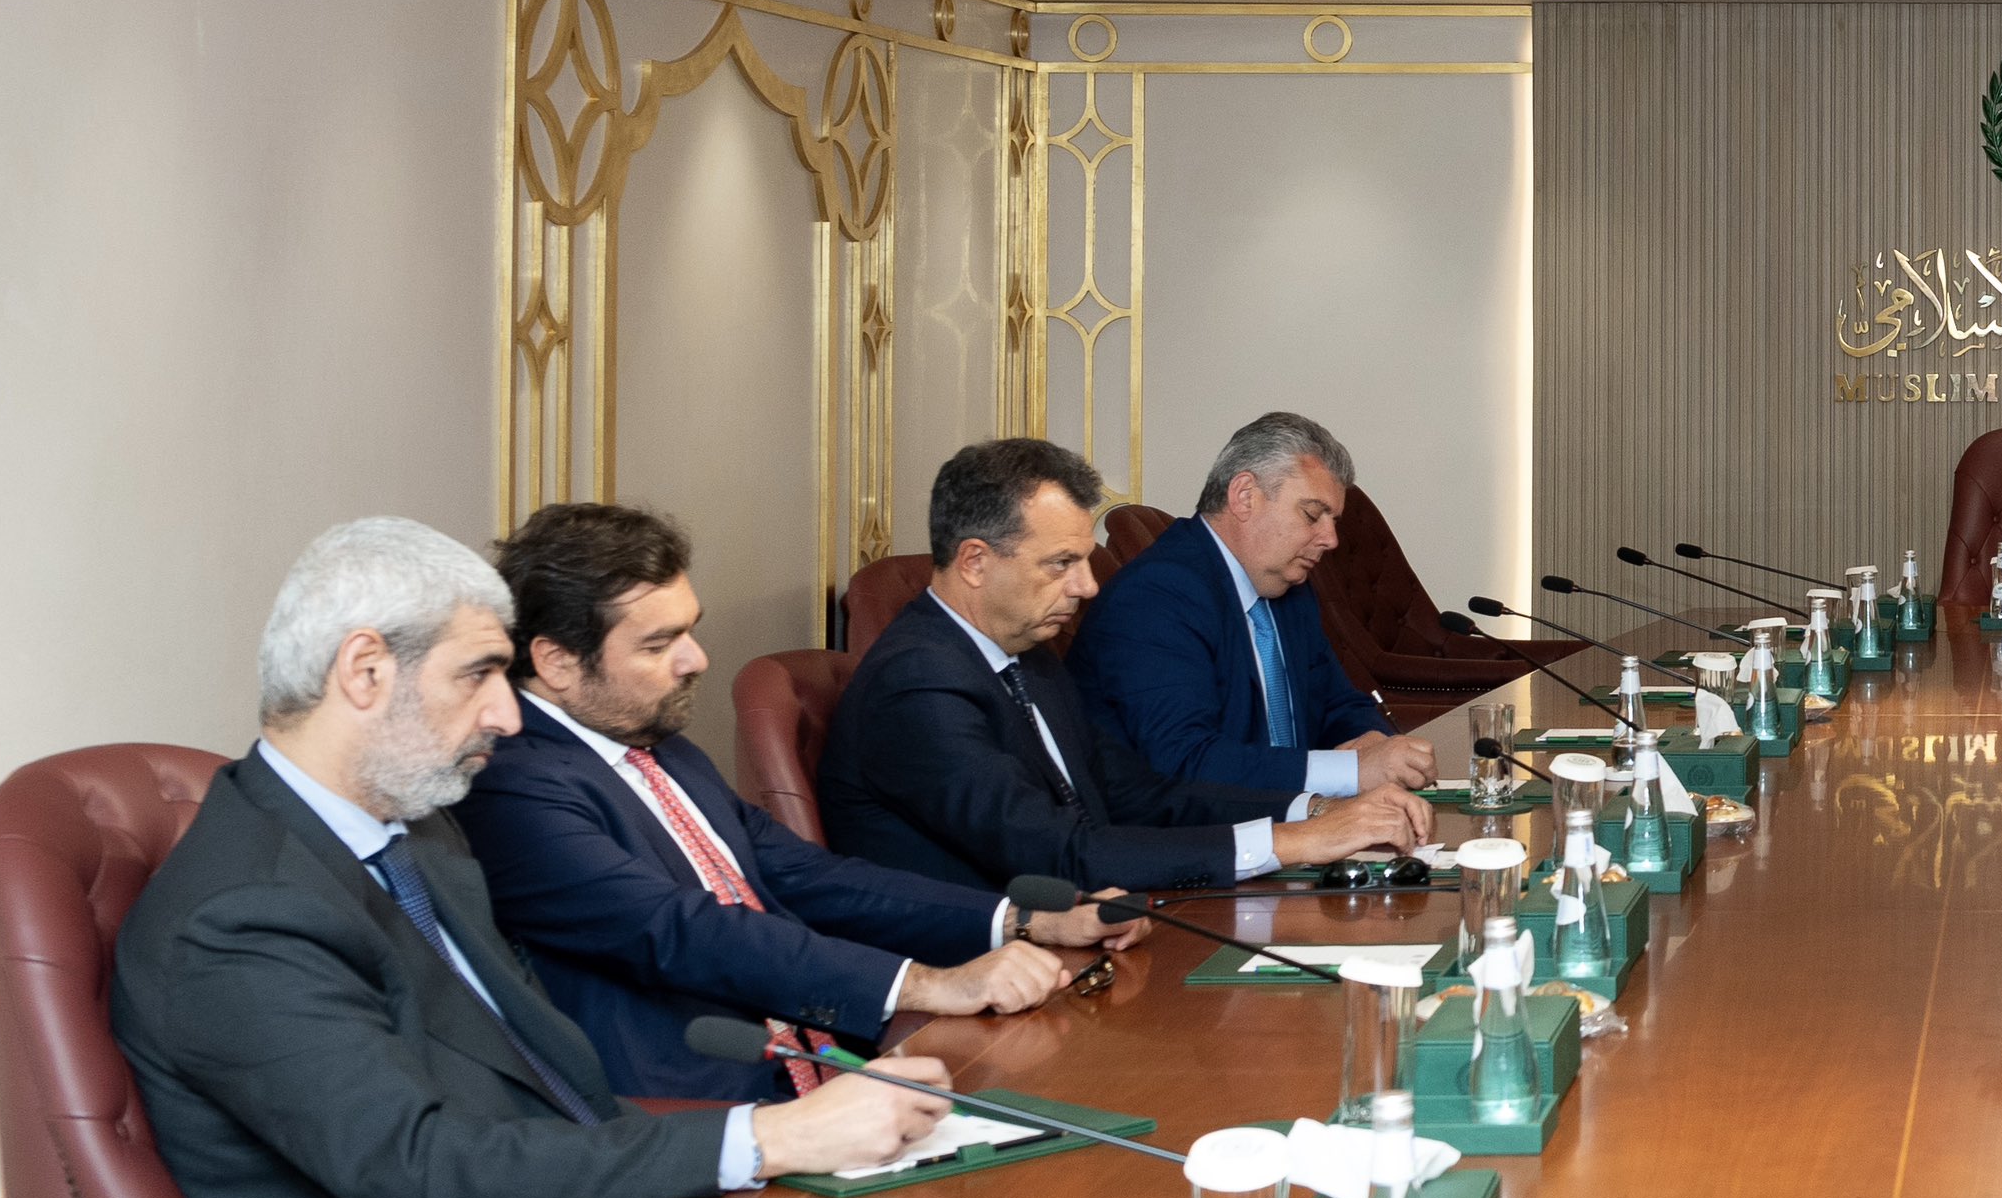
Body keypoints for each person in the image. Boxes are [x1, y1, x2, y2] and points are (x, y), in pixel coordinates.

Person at [112, 519, 952, 1198]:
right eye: (478, 675)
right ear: (364, 672)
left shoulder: (418, 840)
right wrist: (769, 1141)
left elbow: (549, 1088)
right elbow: (426, 1172)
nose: (509, 716)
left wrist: (783, 1134)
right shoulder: (241, 914)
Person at [462, 503, 1150, 1103]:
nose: (696, 659)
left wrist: (1022, 921)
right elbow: (687, 931)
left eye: (689, 629)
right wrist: (927, 985)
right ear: (555, 662)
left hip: (828, 1064)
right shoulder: (514, 788)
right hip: (699, 1107)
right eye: (659, 643)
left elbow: (809, 875)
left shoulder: (654, 743)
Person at [814, 438, 1427, 897]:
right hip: (981, 987)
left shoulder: (1026, 658)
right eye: (1061, 564)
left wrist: (1310, 812)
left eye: (1084, 561)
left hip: (1090, 927)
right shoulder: (917, 684)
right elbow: (1060, 852)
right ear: (975, 561)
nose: (1086, 586)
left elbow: (1141, 793)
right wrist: (1292, 842)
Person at [1074, 411, 1436, 801]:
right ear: (1244, 495)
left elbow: (1335, 701)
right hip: (1194, 845)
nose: (1330, 539)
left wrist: (1368, 740)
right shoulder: (1156, 596)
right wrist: (1352, 771)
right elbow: (1186, 761)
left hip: (1295, 824)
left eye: (1334, 521)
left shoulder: (1286, 587)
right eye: (1313, 514)